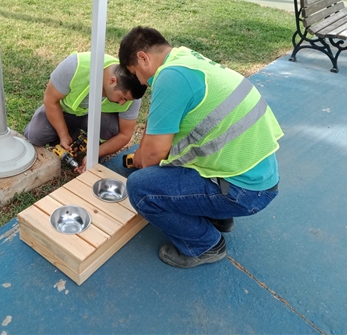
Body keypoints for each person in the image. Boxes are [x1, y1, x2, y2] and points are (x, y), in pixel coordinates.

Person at [117, 26, 283, 269]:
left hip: (243, 192)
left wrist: (142, 165)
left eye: (135, 73)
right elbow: (159, 133)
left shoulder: (170, 77)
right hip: (258, 177)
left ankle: (205, 245)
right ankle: (220, 218)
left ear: (143, 58)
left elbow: (153, 155)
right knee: (172, 168)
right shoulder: (188, 60)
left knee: (141, 187)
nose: (142, 82)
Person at [24, 51, 147, 173]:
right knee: (35, 134)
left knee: (112, 128)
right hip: (63, 111)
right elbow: (50, 100)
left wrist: (94, 154)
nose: (122, 103)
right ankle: (72, 135)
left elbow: (124, 134)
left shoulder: (132, 96)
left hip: (94, 118)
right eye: (122, 98)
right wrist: (63, 135)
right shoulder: (75, 66)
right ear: (112, 81)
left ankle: (84, 141)